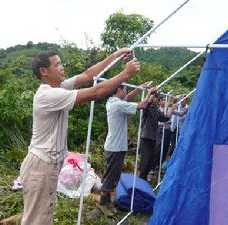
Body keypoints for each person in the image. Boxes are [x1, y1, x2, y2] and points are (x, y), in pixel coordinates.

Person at [19, 48, 140, 225]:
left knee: (43, 216)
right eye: (57, 64)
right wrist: (125, 74)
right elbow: (95, 92)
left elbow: (88, 75)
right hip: (41, 166)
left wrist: (116, 56)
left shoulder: (59, 87)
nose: (62, 67)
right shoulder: (48, 94)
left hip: (46, 164)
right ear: (44, 72)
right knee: (37, 220)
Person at [98, 83, 156, 215]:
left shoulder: (113, 102)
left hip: (114, 145)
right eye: (125, 89)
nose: (126, 92)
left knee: (112, 174)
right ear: (119, 90)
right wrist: (150, 93)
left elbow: (128, 97)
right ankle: (103, 202)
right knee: (112, 175)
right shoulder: (117, 105)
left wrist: (139, 88)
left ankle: (107, 201)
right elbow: (142, 105)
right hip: (115, 146)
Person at [139, 93, 171, 181]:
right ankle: (142, 177)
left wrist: (171, 108)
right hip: (146, 136)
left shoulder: (156, 110)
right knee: (145, 158)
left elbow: (165, 118)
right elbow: (147, 103)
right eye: (155, 98)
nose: (156, 99)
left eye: (156, 98)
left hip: (153, 137)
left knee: (151, 158)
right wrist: (151, 93)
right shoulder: (147, 107)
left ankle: (144, 177)